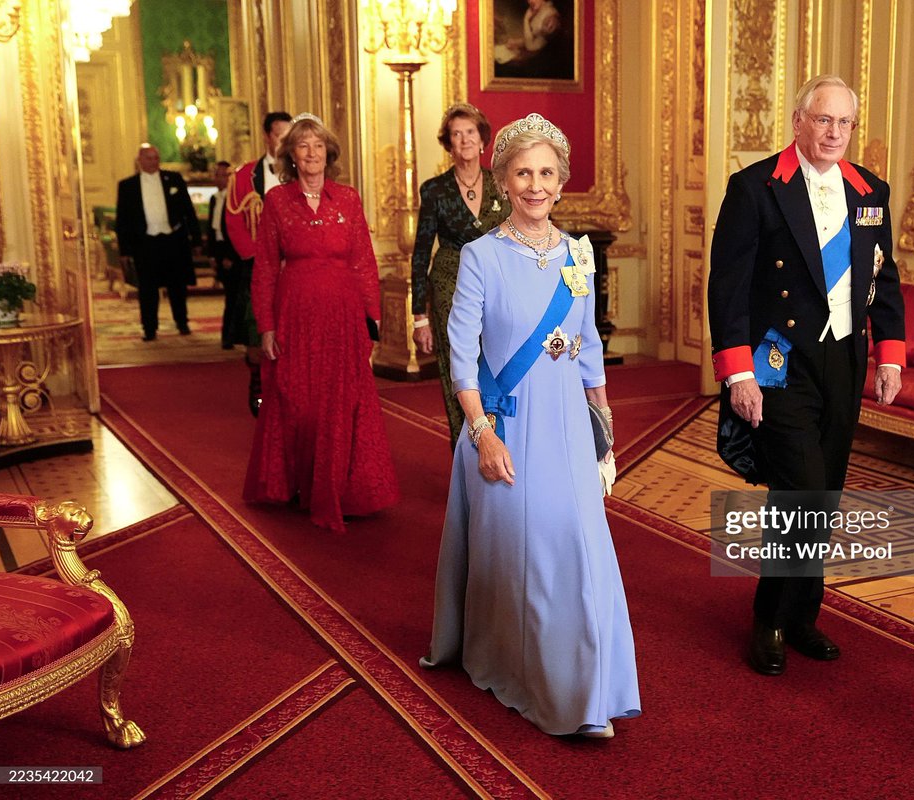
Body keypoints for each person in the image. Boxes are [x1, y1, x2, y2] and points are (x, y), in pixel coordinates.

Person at [421, 113, 640, 738]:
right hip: (507, 425)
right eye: (523, 173)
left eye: (546, 173)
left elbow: (588, 343)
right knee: (527, 557)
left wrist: (605, 424)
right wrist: (481, 433)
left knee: (582, 549)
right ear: (504, 181)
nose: (535, 185)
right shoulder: (481, 256)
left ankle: (588, 689)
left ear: (561, 181)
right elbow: (459, 353)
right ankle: (515, 668)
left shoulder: (579, 253)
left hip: (570, 422)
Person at [707, 75, 906, 676]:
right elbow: (728, 288)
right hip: (779, 361)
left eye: (844, 122)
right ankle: (768, 618)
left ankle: (803, 616)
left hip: (843, 359)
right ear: (798, 121)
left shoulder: (871, 190)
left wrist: (889, 355)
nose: (834, 133)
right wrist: (738, 373)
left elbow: (884, 276)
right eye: (823, 120)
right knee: (802, 493)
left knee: (827, 495)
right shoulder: (755, 188)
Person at [242, 113, 398, 533]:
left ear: (329, 153)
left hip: (343, 315)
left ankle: (344, 488)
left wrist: (374, 320)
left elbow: (364, 261)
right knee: (299, 402)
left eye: (317, 146)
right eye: (302, 146)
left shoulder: (348, 198)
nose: (311, 153)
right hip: (294, 314)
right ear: (290, 155)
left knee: (343, 400)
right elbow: (265, 268)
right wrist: (267, 325)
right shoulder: (276, 201)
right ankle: (300, 484)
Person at [411, 103, 508, 445]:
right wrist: (419, 317)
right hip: (449, 286)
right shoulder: (434, 190)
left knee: (498, 369)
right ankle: (465, 457)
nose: (464, 140)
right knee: (459, 374)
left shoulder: (502, 183)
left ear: (482, 139)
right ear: (448, 144)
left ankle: (501, 446)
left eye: (470, 132)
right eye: (456, 134)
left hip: (498, 289)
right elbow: (421, 251)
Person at [226, 111, 293, 415]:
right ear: (267, 136)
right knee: (256, 330)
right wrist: (256, 257)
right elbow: (234, 220)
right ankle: (257, 382)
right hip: (257, 265)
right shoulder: (244, 176)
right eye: (280, 134)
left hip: (293, 265)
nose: (284, 141)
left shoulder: (300, 171)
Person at [114, 144, 202, 341]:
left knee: (177, 286)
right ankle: (149, 328)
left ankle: (182, 322)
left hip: (173, 240)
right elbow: (123, 220)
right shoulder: (127, 186)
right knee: (147, 288)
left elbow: (189, 211)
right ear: (140, 160)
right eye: (148, 158)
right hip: (145, 243)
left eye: (156, 158)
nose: (153, 162)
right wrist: (124, 250)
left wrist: (195, 240)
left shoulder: (174, 179)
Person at [207, 161, 242, 349]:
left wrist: (231, 255)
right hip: (220, 251)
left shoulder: (236, 199)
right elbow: (213, 229)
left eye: (224, 175)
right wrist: (212, 255)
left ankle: (229, 336)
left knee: (233, 296)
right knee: (229, 295)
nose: (220, 179)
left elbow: (236, 230)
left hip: (232, 253)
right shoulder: (214, 198)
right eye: (218, 175)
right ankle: (228, 335)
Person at [493, 0, 572, 80]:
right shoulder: (541, 9)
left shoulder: (550, 20)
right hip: (524, 49)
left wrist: (526, 20)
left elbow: (531, 46)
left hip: (535, 62)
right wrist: (516, 43)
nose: (529, 1)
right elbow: (529, 39)